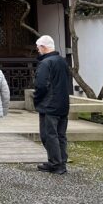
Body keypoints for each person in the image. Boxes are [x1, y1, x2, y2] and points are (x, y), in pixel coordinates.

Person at [33, 35, 71, 175]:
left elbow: (41, 85)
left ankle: (56, 163)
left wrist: (36, 99)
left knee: (48, 135)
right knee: (60, 135)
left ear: (43, 47)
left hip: (49, 104)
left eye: (38, 48)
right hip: (63, 103)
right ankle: (60, 162)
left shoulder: (46, 63)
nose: (38, 50)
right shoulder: (62, 61)